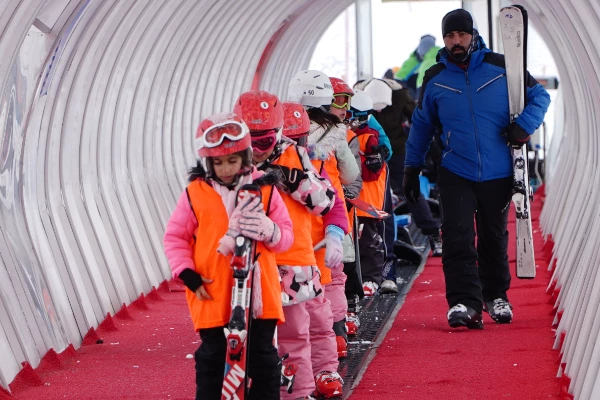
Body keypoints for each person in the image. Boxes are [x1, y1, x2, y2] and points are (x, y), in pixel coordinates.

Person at [403, 9, 551, 329]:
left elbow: (539, 96)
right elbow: (422, 126)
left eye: (461, 35)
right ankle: (463, 301)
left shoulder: (502, 67)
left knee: (492, 236)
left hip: (498, 170)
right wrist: (411, 167)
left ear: (473, 34)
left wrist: (524, 126)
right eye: (450, 36)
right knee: (457, 235)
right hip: (456, 169)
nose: (456, 41)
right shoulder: (435, 77)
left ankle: (495, 295)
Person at [163, 113, 294, 400]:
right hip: (212, 289)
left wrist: (270, 231)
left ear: (245, 157)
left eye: (232, 160)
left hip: (258, 294)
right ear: (207, 162)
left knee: (263, 359)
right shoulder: (195, 193)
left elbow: (286, 237)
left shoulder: (267, 190)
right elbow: (175, 238)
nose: (225, 168)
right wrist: (187, 274)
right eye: (218, 162)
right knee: (212, 358)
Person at [233, 90, 346, 399]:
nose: (257, 150)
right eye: (251, 141)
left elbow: (325, 200)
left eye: (265, 142)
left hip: (293, 261)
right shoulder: (229, 160)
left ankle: (301, 390)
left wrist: (295, 180)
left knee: (299, 331)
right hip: (250, 265)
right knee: (249, 339)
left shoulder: (295, 156)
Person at [363, 78, 443, 258]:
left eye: (382, 107)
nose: (379, 111)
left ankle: (432, 233)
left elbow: (418, 119)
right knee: (379, 197)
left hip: (398, 149)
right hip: (371, 153)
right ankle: (378, 241)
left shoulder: (400, 96)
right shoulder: (357, 97)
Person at [346, 90, 393, 296]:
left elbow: (386, 149)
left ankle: (375, 277)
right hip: (351, 194)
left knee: (370, 238)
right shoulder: (343, 130)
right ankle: (355, 278)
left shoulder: (371, 132)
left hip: (368, 196)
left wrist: (380, 155)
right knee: (352, 239)